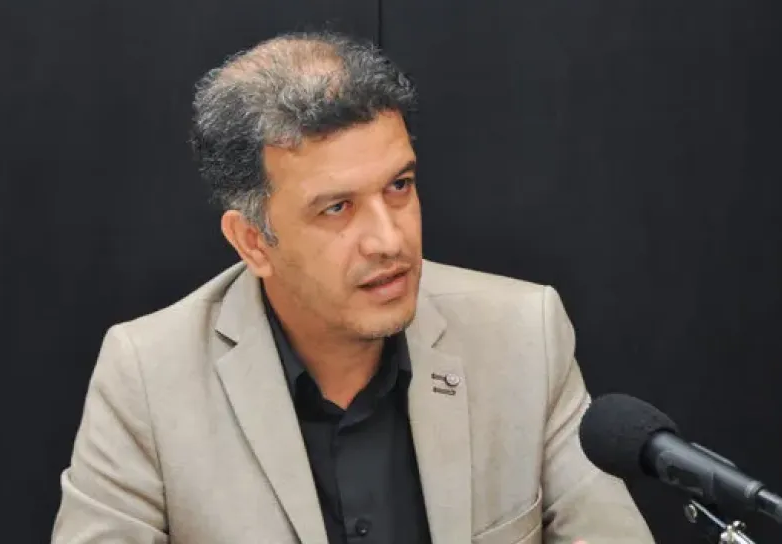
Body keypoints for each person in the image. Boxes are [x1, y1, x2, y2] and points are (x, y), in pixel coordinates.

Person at [51, 31, 655, 544]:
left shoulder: (524, 334)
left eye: (399, 187)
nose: (389, 240)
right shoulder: (148, 376)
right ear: (253, 242)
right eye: (337, 208)